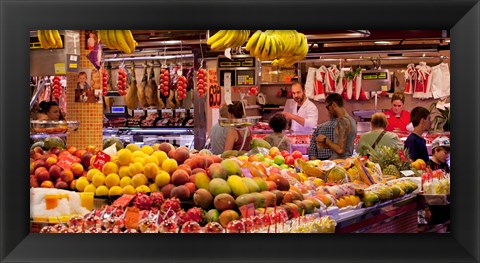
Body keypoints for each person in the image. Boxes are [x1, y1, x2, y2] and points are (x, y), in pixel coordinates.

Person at [315, 93, 357, 159]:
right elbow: (344, 146)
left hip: (341, 164)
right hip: (344, 162)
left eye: (327, 107)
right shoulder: (351, 120)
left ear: (334, 104)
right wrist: (327, 145)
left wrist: (325, 140)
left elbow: (340, 150)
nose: (328, 111)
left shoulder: (343, 121)